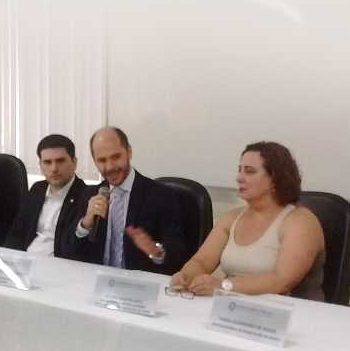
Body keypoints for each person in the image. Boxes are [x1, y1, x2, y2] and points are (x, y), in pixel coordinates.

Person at [170, 141, 325, 297]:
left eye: (249, 171)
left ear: (275, 179)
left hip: (289, 308)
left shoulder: (301, 221)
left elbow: (282, 281)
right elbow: (201, 262)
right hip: (233, 304)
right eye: (240, 170)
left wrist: (223, 285)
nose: (239, 178)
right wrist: (187, 276)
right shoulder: (231, 217)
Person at [61, 126, 187, 274]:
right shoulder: (91, 194)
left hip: (139, 282)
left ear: (129, 152)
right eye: (102, 160)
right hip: (98, 279)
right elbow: (69, 252)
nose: (110, 167)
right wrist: (85, 224)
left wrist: (156, 251)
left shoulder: (161, 195)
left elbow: (179, 255)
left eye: (116, 157)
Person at [5, 134, 86, 257]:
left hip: (59, 265)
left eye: (60, 161)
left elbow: (77, 247)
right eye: (47, 162)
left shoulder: (85, 195)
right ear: (40, 165)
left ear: (74, 162)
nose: (54, 168)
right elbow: (17, 232)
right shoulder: (37, 189)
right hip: (25, 261)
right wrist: (8, 259)